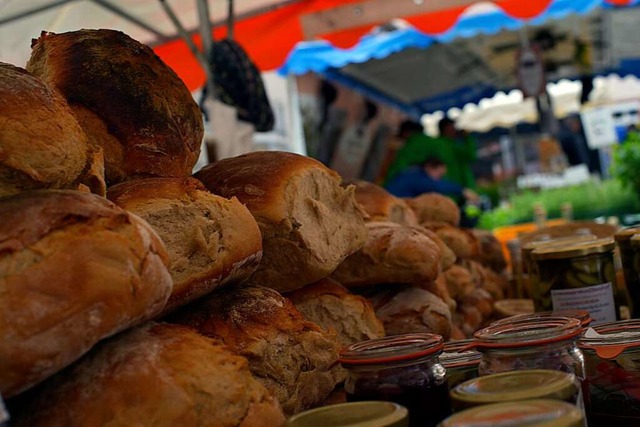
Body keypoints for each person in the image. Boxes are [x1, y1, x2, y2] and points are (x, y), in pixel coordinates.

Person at [384, 117, 477, 191]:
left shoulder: (449, 145)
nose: (454, 130)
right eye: (452, 127)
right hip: (449, 188)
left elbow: (399, 166)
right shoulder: (440, 144)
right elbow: (471, 155)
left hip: (449, 188)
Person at [385, 157, 479, 202]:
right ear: (429, 167)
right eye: (439, 174)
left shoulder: (412, 172)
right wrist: (462, 190)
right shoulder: (416, 177)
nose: (439, 178)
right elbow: (436, 186)